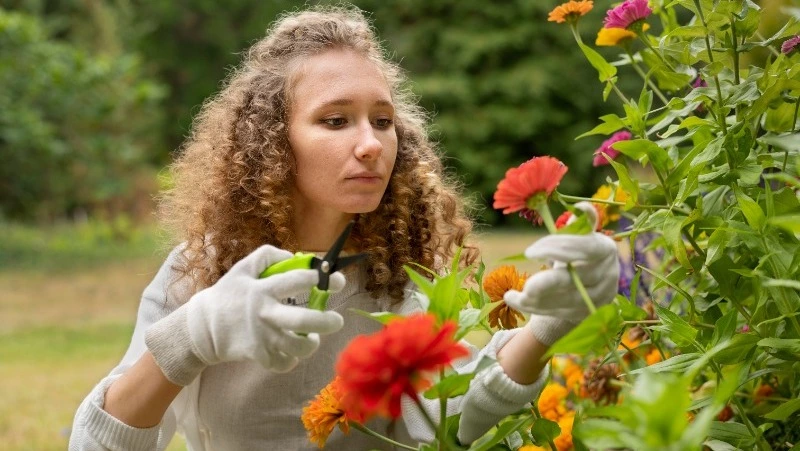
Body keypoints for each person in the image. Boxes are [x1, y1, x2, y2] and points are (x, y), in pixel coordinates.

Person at [69, 5, 620, 450]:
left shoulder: (398, 278)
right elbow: (96, 445)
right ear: (271, 143)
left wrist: (546, 329)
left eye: (382, 121)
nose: (371, 143)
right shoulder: (201, 272)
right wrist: (188, 339)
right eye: (335, 120)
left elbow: (450, 425)